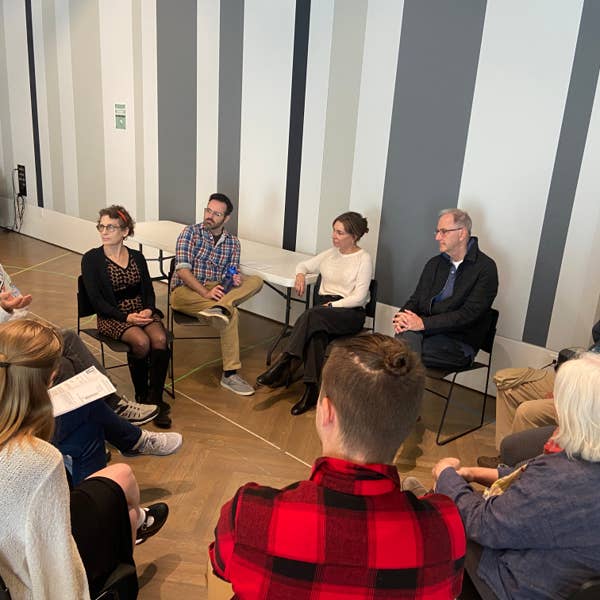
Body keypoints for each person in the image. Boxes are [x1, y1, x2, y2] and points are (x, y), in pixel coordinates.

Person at [210, 334, 466, 599]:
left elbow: (220, 566)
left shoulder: (249, 513)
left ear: (326, 411)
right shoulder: (446, 528)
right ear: (409, 424)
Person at [0, 319, 168, 599]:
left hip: (14, 551)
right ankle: (132, 515)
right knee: (124, 501)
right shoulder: (39, 460)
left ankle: (133, 502)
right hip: (24, 573)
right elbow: (57, 566)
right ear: (50, 380)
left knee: (98, 442)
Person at [432, 351, 600, 600]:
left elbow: (484, 524)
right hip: (559, 568)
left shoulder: (559, 480)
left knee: (440, 519)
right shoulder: (583, 460)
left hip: (512, 584)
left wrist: (446, 475)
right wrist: (473, 473)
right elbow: (529, 476)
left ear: (575, 411)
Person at [0, 261, 158, 425]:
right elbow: (10, 310)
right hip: (6, 346)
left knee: (65, 356)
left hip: (13, 335)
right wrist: (5, 310)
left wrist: (13, 308)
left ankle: (97, 418)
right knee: (64, 351)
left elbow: (18, 306)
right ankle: (109, 406)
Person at [256, 212, 372, 415]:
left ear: (353, 236)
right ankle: (310, 390)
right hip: (323, 313)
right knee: (316, 335)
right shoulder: (330, 253)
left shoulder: (364, 259)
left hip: (349, 312)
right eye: (333, 230)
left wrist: (332, 306)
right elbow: (303, 265)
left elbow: (360, 297)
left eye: (339, 232)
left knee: (312, 315)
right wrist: (300, 275)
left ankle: (284, 362)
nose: (334, 236)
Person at [81, 205, 172, 428]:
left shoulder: (137, 257)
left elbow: (148, 290)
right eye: (101, 226)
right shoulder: (91, 259)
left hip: (140, 311)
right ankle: (141, 395)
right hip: (112, 316)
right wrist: (126, 317)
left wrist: (149, 309)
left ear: (125, 231)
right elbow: (96, 301)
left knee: (160, 339)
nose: (104, 231)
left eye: (110, 227)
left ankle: (155, 398)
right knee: (141, 342)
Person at [170, 193, 263, 396]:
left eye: (216, 214)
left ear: (226, 218)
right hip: (186, 291)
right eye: (208, 210)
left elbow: (230, 273)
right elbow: (183, 271)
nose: (210, 216)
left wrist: (234, 278)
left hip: (218, 290)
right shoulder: (190, 233)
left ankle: (220, 308)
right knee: (232, 313)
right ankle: (230, 374)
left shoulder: (233, 243)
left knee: (256, 280)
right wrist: (206, 292)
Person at [477, 318, 600, 468]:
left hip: (588, 396)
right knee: (507, 382)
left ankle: (518, 469)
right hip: (578, 380)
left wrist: (565, 393)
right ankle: (505, 456)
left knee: (527, 411)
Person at [393, 208, 498, 370]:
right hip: (426, 332)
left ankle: (401, 380)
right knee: (403, 346)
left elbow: (468, 315)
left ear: (461, 233)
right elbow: (416, 300)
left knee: (403, 351)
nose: (437, 237)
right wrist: (402, 318)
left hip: (459, 341)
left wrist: (423, 323)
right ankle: (405, 382)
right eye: (437, 232)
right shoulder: (434, 264)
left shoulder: (485, 268)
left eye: (443, 232)